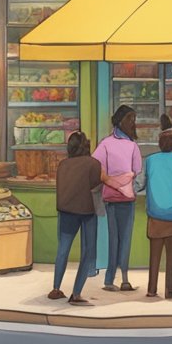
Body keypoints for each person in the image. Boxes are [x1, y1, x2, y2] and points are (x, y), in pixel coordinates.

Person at [93, 105, 142, 293]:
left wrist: (110, 181)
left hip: (111, 198)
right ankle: (124, 279)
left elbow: (97, 167)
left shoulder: (105, 143)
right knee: (125, 240)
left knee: (114, 239)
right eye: (130, 118)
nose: (133, 123)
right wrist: (130, 187)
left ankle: (109, 279)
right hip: (126, 200)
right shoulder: (132, 146)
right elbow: (137, 172)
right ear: (120, 120)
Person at [50, 131, 102, 305]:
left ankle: (56, 288)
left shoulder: (63, 165)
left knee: (63, 250)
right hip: (87, 212)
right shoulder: (94, 164)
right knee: (87, 251)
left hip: (65, 211)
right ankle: (76, 293)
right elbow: (95, 186)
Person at [142, 128, 172, 300]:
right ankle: (170, 289)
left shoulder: (150, 160)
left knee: (154, 254)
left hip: (155, 213)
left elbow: (143, 182)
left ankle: (151, 288)